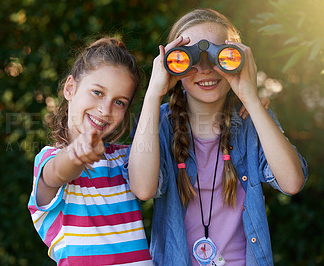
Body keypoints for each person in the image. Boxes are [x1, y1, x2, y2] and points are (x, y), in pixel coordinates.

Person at [125, 8, 308, 266]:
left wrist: (251, 98)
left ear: (237, 58)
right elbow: (143, 189)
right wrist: (154, 92)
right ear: (173, 65)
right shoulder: (160, 122)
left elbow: (292, 182)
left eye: (217, 56)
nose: (205, 69)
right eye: (188, 59)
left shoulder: (251, 118)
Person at [28, 37, 153, 265]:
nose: (105, 109)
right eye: (97, 92)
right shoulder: (48, 159)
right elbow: (59, 170)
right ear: (70, 88)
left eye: (119, 102)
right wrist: (76, 153)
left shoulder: (125, 159)